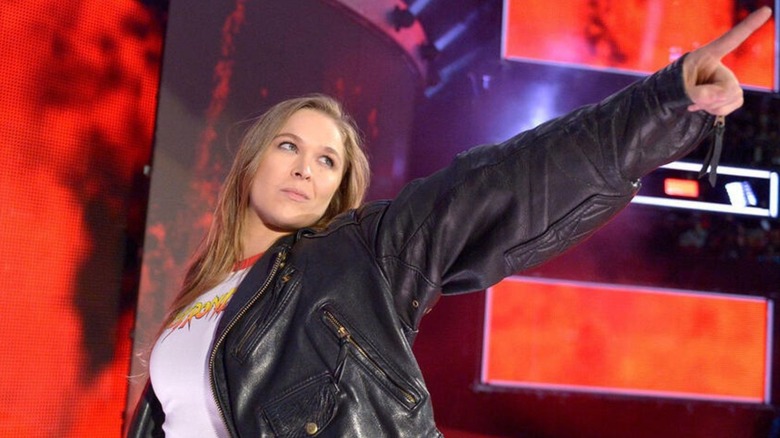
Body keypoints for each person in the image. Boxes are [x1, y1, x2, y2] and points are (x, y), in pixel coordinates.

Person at [129, 7, 772, 437]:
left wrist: (665, 100)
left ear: (338, 191)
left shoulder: (358, 258)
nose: (304, 168)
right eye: (289, 146)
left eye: (327, 159)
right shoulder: (202, 292)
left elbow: (503, 184)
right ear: (250, 163)